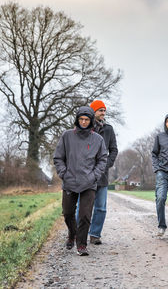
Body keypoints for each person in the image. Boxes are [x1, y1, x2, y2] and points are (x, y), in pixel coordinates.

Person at [53, 106, 108, 256]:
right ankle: (72, 233)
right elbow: (58, 157)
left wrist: (94, 176)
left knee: (85, 215)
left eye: (86, 119)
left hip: (89, 183)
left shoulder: (98, 139)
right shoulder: (67, 136)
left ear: (91, 121)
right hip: (70, 180)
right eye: (81, 119)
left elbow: (103, 159)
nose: (83, 122)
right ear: (77, 120)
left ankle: (81, 245)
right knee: (68, 212)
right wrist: (64, 173)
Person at [75, 100, 118, 245]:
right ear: (93, 112)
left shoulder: (109, 129)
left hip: (102, 174)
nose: (103, 113)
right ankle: (78, 233)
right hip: (85, 174)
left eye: (104, 111)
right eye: (100, 110)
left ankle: (95, 234)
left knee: (100, 207)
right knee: (83, 207)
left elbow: (113, 150)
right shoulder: (84, 128)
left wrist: (106, 164)